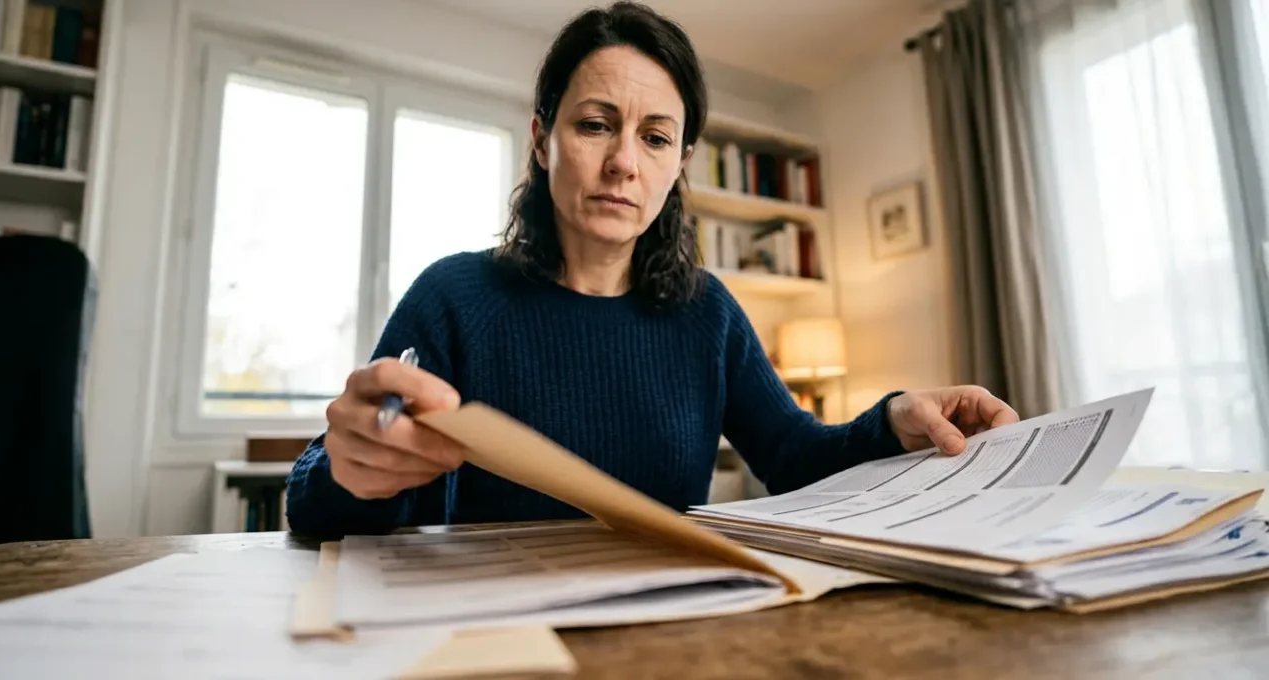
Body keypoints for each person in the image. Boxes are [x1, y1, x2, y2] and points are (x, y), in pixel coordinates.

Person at [284, 1, 1019, 537]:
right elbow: (317, 502)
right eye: (595, 124)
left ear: (680, 164)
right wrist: (349, 468)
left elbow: (794, 457)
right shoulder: (453, 297)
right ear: (543, 140)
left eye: (656, 137)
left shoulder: (708, 312)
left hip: (669, 633)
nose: (623, 164)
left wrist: (892, 419)